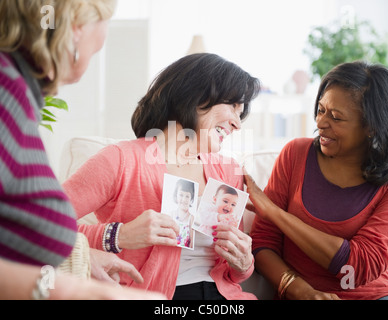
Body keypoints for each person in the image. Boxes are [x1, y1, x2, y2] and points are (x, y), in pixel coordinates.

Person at [0, 0, 164, 300]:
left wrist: (84, 259)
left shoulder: (15, 91)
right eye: (102, 27)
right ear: (75, 28)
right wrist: (73, 290)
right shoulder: (5, 92)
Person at [63, 53, 261, 300]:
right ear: (197, 95)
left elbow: (232, 274)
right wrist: (119, 235)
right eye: (233, 106)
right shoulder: (120, 160)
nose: (237, 124)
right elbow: (36, 223)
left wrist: (244, 263)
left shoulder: (228, 170)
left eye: (240, 113)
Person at [246, 61, 388, 300]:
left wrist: (276, 213)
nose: (320, 123)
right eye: (320, 110)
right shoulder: (295, 154)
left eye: (336, 118)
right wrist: (301, 290)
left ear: (371, 127)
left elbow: (358, 268)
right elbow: (263, 242)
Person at [168, 179, 196, 248]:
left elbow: (192, 241)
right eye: (181, 195)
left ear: (191, 198)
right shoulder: (171, 215)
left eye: (187, 196)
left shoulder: (191, 218)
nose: (184, 199)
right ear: (176, 195)